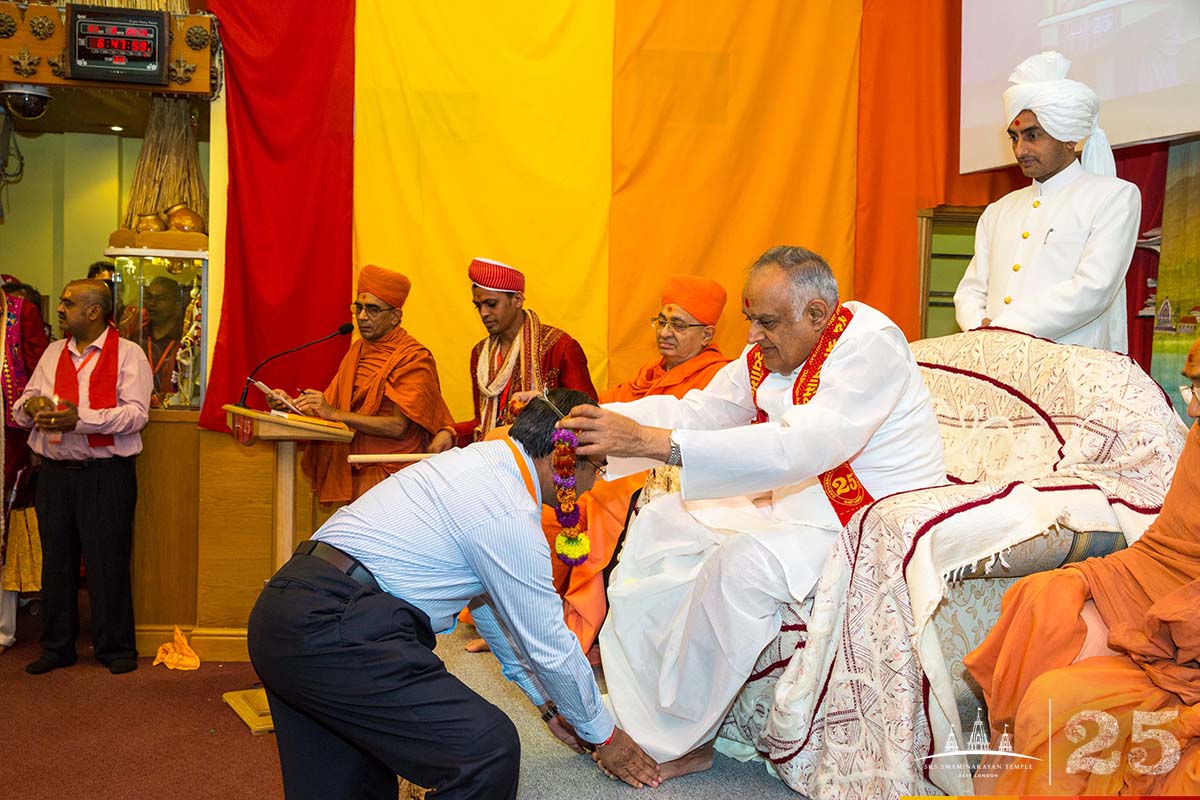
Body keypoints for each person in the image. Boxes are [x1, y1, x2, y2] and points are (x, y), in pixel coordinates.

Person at [558, 245, 947, 774]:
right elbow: (706, 410)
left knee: (741, 565)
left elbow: (803, 445)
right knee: (662, 521)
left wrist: (655, 443)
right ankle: (636, 711)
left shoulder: (869, 345)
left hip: (865, 520)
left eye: (764, 322)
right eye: (749, 320)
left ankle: (678, 741)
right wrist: (598, 422)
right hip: (793, 501)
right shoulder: (774, 345)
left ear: (816, 314)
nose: (752, 337)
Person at [246, 388, 662, 798]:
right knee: (485, 752)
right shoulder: (508, 510)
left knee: (354, 784)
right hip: (338, 626)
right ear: (565, 460)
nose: (594, 485)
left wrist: (548, 705)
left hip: (286, 614)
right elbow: (548, 644)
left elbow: (490, 611)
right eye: (600, 468)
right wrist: (604, 736)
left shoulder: (480, 462)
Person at [963, 338, 1200, 794]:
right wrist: (1090, 578)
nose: (1191, 411)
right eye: (1191, 390)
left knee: (1070, 708)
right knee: (1043, 600)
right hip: (1173, 609)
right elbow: (1169, 548)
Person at [562, 273, 730, 655]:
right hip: (626, 464)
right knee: (553, 502)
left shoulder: (719, 376)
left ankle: (587, 635)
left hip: (670, 476)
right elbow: (612, 401)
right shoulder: (652, 373)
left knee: (596, 503)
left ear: (706, 335)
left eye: (679, 324)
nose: (666, 332)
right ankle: (539, 624)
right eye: (662, 321)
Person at [953, 50, 1140, 352]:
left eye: (1032, 135)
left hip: (1067, 369)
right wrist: (978, 325)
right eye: (1014, 137)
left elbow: (1094, 288)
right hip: (990, 360)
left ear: (1069, 137)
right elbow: (971, 289)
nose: (1020, 149)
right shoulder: (999, 211)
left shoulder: (1113, 197)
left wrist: (1004, 327)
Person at [13, 279, 152, 675]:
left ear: (94, 311)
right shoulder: (54, 352)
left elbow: (137, 414)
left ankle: (115, 648)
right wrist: (33, 407)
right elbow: (26, 401)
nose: (59, 309)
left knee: (108, 562)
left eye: (67, 303)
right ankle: (57, 647)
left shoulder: (129, 354)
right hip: (55, 474)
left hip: (105, 475)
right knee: (55, 563)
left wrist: (81, 420)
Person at [272, 264, 455, 504]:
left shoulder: (412, 357)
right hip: (355, 469)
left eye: (373, 309)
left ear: (395, 317)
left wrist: (334, 413)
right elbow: (330, 409)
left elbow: (398, 427)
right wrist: (293, 406)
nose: (361, 316)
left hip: (394, 476)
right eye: (358, 307)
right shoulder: (358, 350)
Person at [454, 257, 597, 444]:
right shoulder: (480, 354)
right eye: (478, 306)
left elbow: (587, 414)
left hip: (549, 458)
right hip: (497, 458)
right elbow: (484, 421)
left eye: (491, 304)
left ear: (517, 300)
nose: (483, 313)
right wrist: (451, 432)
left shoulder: (559, 346)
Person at [0, 283, 50, 655]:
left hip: (7, 433)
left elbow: (36, 379)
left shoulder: (19, 311)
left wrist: (37, 435)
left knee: (4, 521)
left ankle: (2, 628)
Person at [141, 276, 184, 405]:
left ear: (177, 304)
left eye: (160, 299)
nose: (152, 304)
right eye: (149, 297)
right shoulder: (136, 335)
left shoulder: (184, 338)